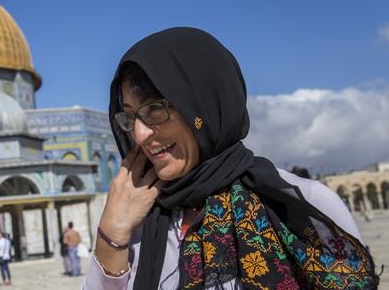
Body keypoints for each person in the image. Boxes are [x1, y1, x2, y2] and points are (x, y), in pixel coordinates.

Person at [83, 27, 379, 289]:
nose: (139, 133)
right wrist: (111, 238)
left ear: (203, 104)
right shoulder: (139, 223)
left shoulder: (299, 205)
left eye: (155, 109)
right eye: (130, 116)